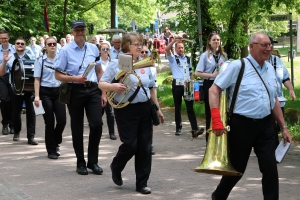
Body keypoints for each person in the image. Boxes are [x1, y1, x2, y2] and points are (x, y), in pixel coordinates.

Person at [209, 33, 293, 200]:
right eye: (264, 45)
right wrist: (216, 120)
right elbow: (214, 90)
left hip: (266, 126)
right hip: (242, 125)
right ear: (252, 46)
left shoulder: (270, 68)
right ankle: (218, 196)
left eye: (270, 45)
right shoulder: (237, 66)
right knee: (237, 169)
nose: (268, 48)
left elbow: (273, 99)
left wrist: (283, 126)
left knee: (270, 168)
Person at [99, 32, 164, 194]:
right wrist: (113, 87)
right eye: (136, 44)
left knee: (145, 147)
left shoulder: (146, 64)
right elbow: (101, 84)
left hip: (144, 109)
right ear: (127, 45)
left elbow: (151, 88)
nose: (140, 47)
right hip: (125, 110)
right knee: (130, 144)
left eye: (140, 44)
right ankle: (116, 165)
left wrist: (158, 108)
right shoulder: (115, 64)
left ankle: (142, 183)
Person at [54, 20, 105, 175]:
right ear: (72, 32)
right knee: (77, 127)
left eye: (82, 30)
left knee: (97, 124)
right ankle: (80, 162)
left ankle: (93, 161)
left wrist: (103, 91)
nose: (80, 33)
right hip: (74, 90)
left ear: (85, 31)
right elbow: (57, 75)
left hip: (94, 89)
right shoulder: (65, 50)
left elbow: (99, 71)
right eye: (77, 30)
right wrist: (75, 79)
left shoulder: (93, 48)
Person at [34, 37, 66, 159]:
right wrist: (37, 96)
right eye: (49, 44)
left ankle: (56, 140)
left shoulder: (61, 59)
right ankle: (51, 150)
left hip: (59, 92)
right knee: (49, 122)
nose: (52, 45)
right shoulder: (40, 60)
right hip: (45, 92)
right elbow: (37, 79)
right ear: (45, 46)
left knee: (62, 120)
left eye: (54, 43)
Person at [1, 38, 38, 145]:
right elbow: (1, 73)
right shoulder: (10, 57)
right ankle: (16, 132)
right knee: (16, 112)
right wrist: (4, 61)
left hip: (29, 89)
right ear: (15, 45)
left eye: (22, 43)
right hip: (15, 88)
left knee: (31, 113)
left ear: (25, 46)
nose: (20, 45)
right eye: (18, 43)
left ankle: (31, 136)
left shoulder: (31, 57)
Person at [165, 36, 204, 137]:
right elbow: (167, 49)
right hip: (177, 85)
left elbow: (191, 72)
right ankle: (178, 128)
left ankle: (195, 129)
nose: (181, 49)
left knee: (190, 107)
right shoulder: (173, 58)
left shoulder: (187, 59)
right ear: (176, 49)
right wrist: (174, 40)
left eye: (182, 47)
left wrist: (192, 82)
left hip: (187, 84)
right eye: (179, 48)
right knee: (177, 107)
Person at [195, 32, 227, 141]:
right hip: (209, 84)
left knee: (221, 110)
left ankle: (221, 137)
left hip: (221, 85)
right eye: (214, 40)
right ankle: (209, 140)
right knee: (210, 112)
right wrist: (211, 75)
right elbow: (197, 73)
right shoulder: (205, 56)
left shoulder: (224, 55)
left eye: (218, 39)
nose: (216, 41)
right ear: (209, 42)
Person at [268, 37, 296, 146]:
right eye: (267, 45)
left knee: (277, 127)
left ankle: (273, 151)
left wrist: (291, 89)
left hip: (279, 100)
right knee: (269, 128)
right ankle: (271, 152)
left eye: (271, 45)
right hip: (264, 102)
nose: (270, 47)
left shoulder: (277, 60)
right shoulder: (256, 62)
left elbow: (285, 78)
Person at [98, 41, 117, 140]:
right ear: (99, 51)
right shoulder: (97, 62)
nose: (105, 51)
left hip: (110, 89)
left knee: (110, 112)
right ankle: (98, 131)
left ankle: (112, 132)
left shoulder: (113, 62)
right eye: (103, 49)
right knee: (99, 112)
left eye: (107, 49)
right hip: (99, 89)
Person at [140, 45, 156, 155]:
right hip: (139, 97)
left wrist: (157, 106)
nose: (144, 53)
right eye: (142, 52)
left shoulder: (152, 67)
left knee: (150, 123)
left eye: (146, 52)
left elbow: (152, 86)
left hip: (150, 95)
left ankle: (149, 145)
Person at [0, 30, 14, 135]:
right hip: (2, 77)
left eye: (5, 38)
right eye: (2, 38)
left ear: (8, 38)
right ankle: (5, 123)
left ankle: (12, 124)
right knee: (4, 100)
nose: (4, 40)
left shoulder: (15, 48)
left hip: (14, 77)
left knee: (14, 101)